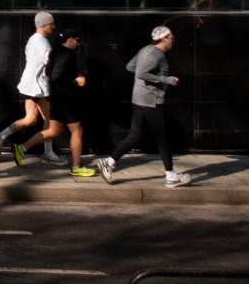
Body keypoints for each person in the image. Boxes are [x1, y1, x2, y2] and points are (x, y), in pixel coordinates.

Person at [100, 26, 191, 188]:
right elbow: (141, 73)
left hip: (139, 98)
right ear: (163, 38)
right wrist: (167, 80)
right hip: (152, 101)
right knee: (163, 137)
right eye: (171, 38)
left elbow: (130, 67)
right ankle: (170, 175)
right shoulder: (156, 54)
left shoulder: (145, 50)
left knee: (135, 134)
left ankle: (109, 161)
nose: (173, 40)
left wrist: (145, 77)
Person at [0, 13, 64, 166]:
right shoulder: (41, 42)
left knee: (30, 119)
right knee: (50, 122)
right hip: (38, 87)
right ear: (43, 25)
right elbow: (49, 62)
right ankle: (47, 152)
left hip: (30, 85)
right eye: (51, 24)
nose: (54, 26)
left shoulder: (33, 39)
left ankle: (0, 136)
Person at [42, 25, 96, 180]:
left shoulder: (55, 52)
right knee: (77, 130)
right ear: (70, 39)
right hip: (65, 99)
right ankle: (77, 167)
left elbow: (50, 73)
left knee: (53, 131)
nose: (78, 44)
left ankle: (22, 147)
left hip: (56, 97)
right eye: (77, 40)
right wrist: (75, 80)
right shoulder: (66, 54)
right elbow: (56, 75)